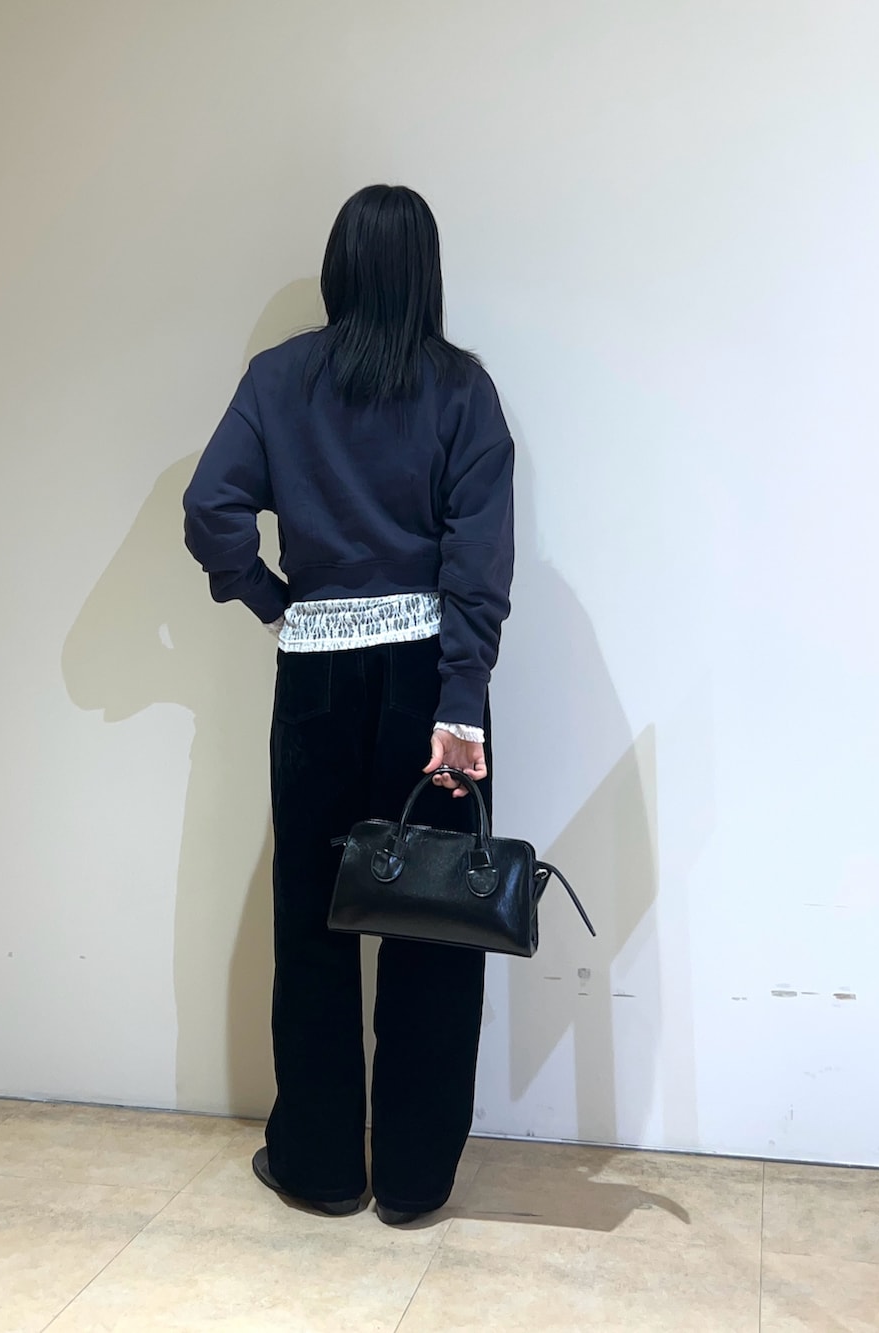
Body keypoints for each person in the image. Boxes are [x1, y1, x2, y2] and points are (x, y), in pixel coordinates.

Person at [183, 184, 514, 1225]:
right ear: (426, 272)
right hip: (430, 684)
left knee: (314, 922)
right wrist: (461, 697)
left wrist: (275, 600)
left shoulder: (279, 379)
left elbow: (210, 509)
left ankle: (321, 1164)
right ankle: (414, 1180)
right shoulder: (461, 390)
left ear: (338, 267)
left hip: (319, 675)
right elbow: (478, 559)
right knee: (434, 923)